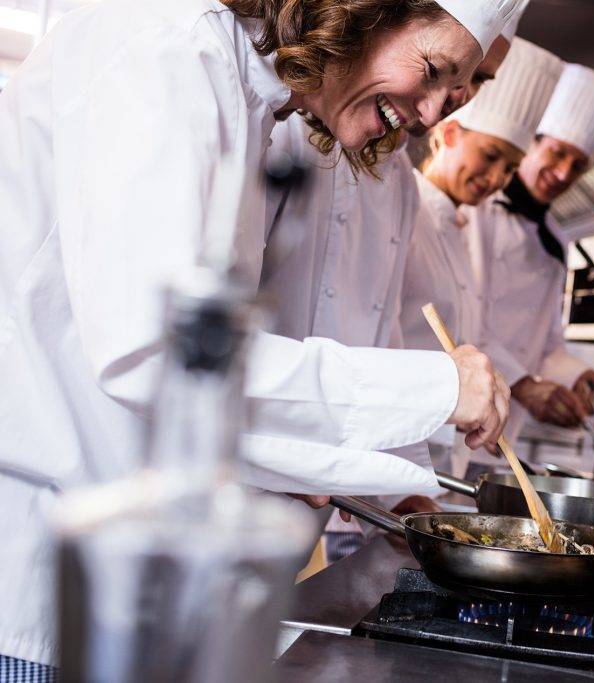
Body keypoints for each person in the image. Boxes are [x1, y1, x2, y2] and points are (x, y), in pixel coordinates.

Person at [0, 0, 522, 671]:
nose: (429, 113)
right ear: (363, 10)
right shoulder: (169, 45)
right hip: (39, 580)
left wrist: (320, 460)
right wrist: (438, 387)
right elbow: (157, 350)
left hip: (124, 580)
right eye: (431, 70)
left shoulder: (241, 86)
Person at [261, 5, 530, 550]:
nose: (448, 102)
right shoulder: (281, 127)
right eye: (442, 71)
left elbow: (382, 334)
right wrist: (436, 390)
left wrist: (398, 489)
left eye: (475, 80)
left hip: (304, 494)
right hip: (242, 474)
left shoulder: (398, 180)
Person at [399, 38, 563, 476]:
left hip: (429, 461)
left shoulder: (460, 229)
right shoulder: (404, 205)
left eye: (509, 168)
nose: (496, 178)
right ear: (448, 134)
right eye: (490, 156)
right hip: (386, 458)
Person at [468, 63, 594, 445]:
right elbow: (461, 320)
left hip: (503, 429)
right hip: (450, 419)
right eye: (557, 153)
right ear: (530, 145)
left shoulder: (555, 241)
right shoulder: (474, 211)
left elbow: (546, 345)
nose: (563, 173)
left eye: (578, 166)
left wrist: (577, 375)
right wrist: (522, 384)